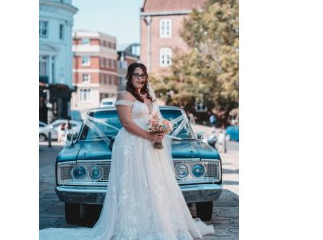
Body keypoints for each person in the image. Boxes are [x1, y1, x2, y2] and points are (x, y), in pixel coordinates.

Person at [40, 62, 214, 239]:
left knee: (153, 181)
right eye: (136, 75)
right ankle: (132, 224)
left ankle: (157, 222)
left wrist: (160, 130)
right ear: (129, 77)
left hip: (150, 145)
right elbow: (127, 123)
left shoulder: (149, 96)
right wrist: (149, 136)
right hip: (131, 144)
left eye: (143, 75)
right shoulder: (125, 95)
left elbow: (155, 117)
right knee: (132, 181)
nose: (140, 78)